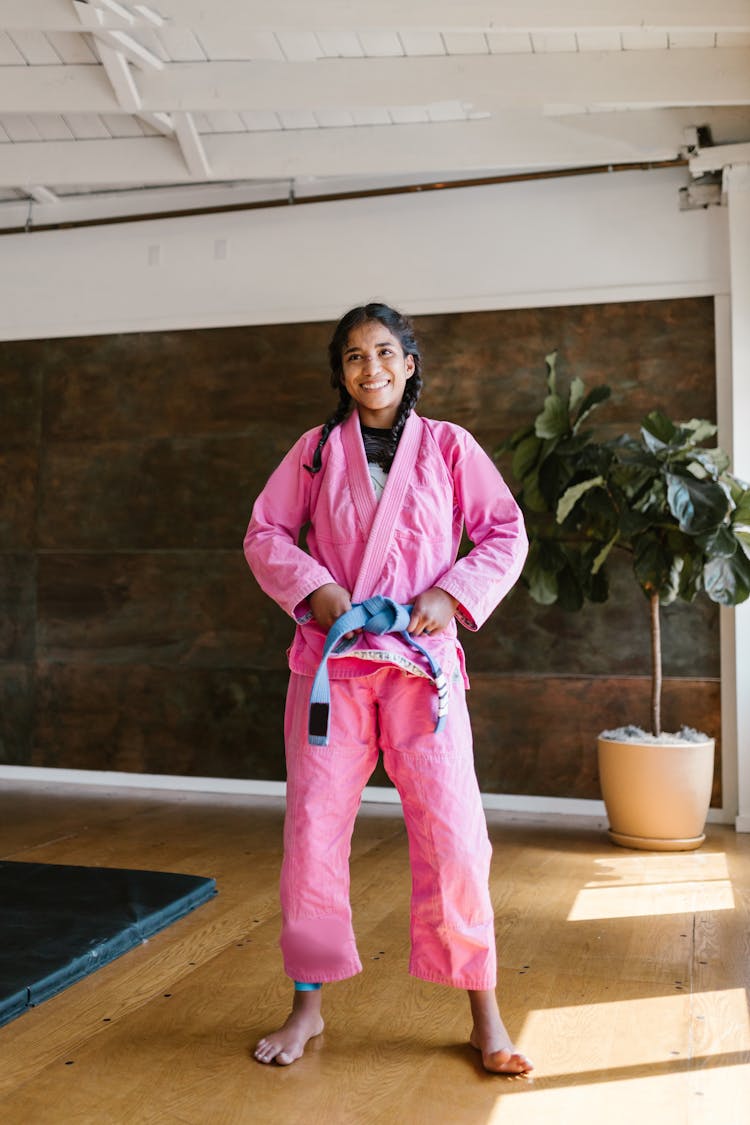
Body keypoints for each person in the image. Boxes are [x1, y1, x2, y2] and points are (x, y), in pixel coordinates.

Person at [243, 302, 532, 1075]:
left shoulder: (448, 447)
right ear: (341, 373)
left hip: (421, 666)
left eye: (384, 352)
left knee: (458, 839)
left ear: (409, 362)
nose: (370, 369)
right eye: (353, 357)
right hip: (332, 669)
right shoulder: (313, 452)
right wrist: (314, 588)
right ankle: (307, 1007)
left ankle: (485, 1013)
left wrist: (454, 594)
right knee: (312, 836)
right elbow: (265, 533)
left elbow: (505, 530)